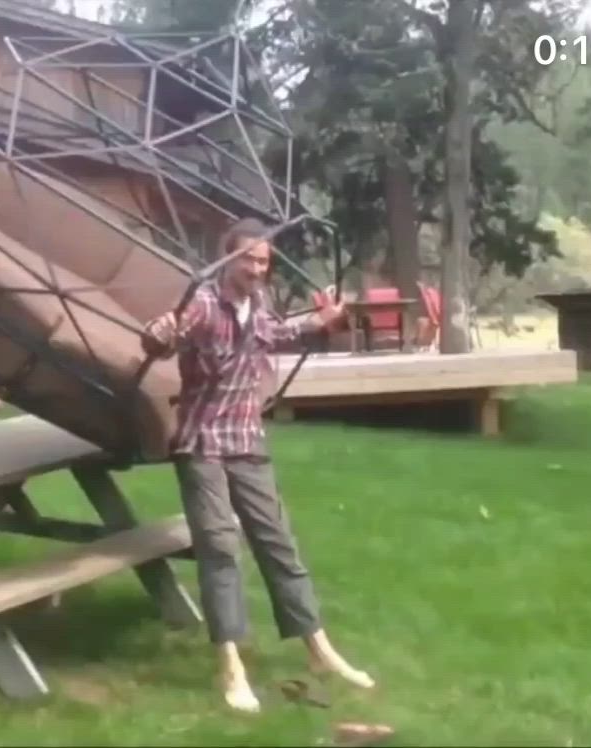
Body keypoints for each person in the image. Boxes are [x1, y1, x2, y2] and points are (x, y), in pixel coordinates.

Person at [142, 217, 375, 713]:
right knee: (221, 548)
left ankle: (319, 650)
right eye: (247, 259)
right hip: (201, 443)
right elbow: (166, 333)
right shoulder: (204, 303)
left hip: (246, 438)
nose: (255, 268)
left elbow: (274, 332)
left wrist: (322, 320)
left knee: (278, 544)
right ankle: (231, 666)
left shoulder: (260, 304)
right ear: (227, 260)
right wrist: (157, 333)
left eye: (263, 261)